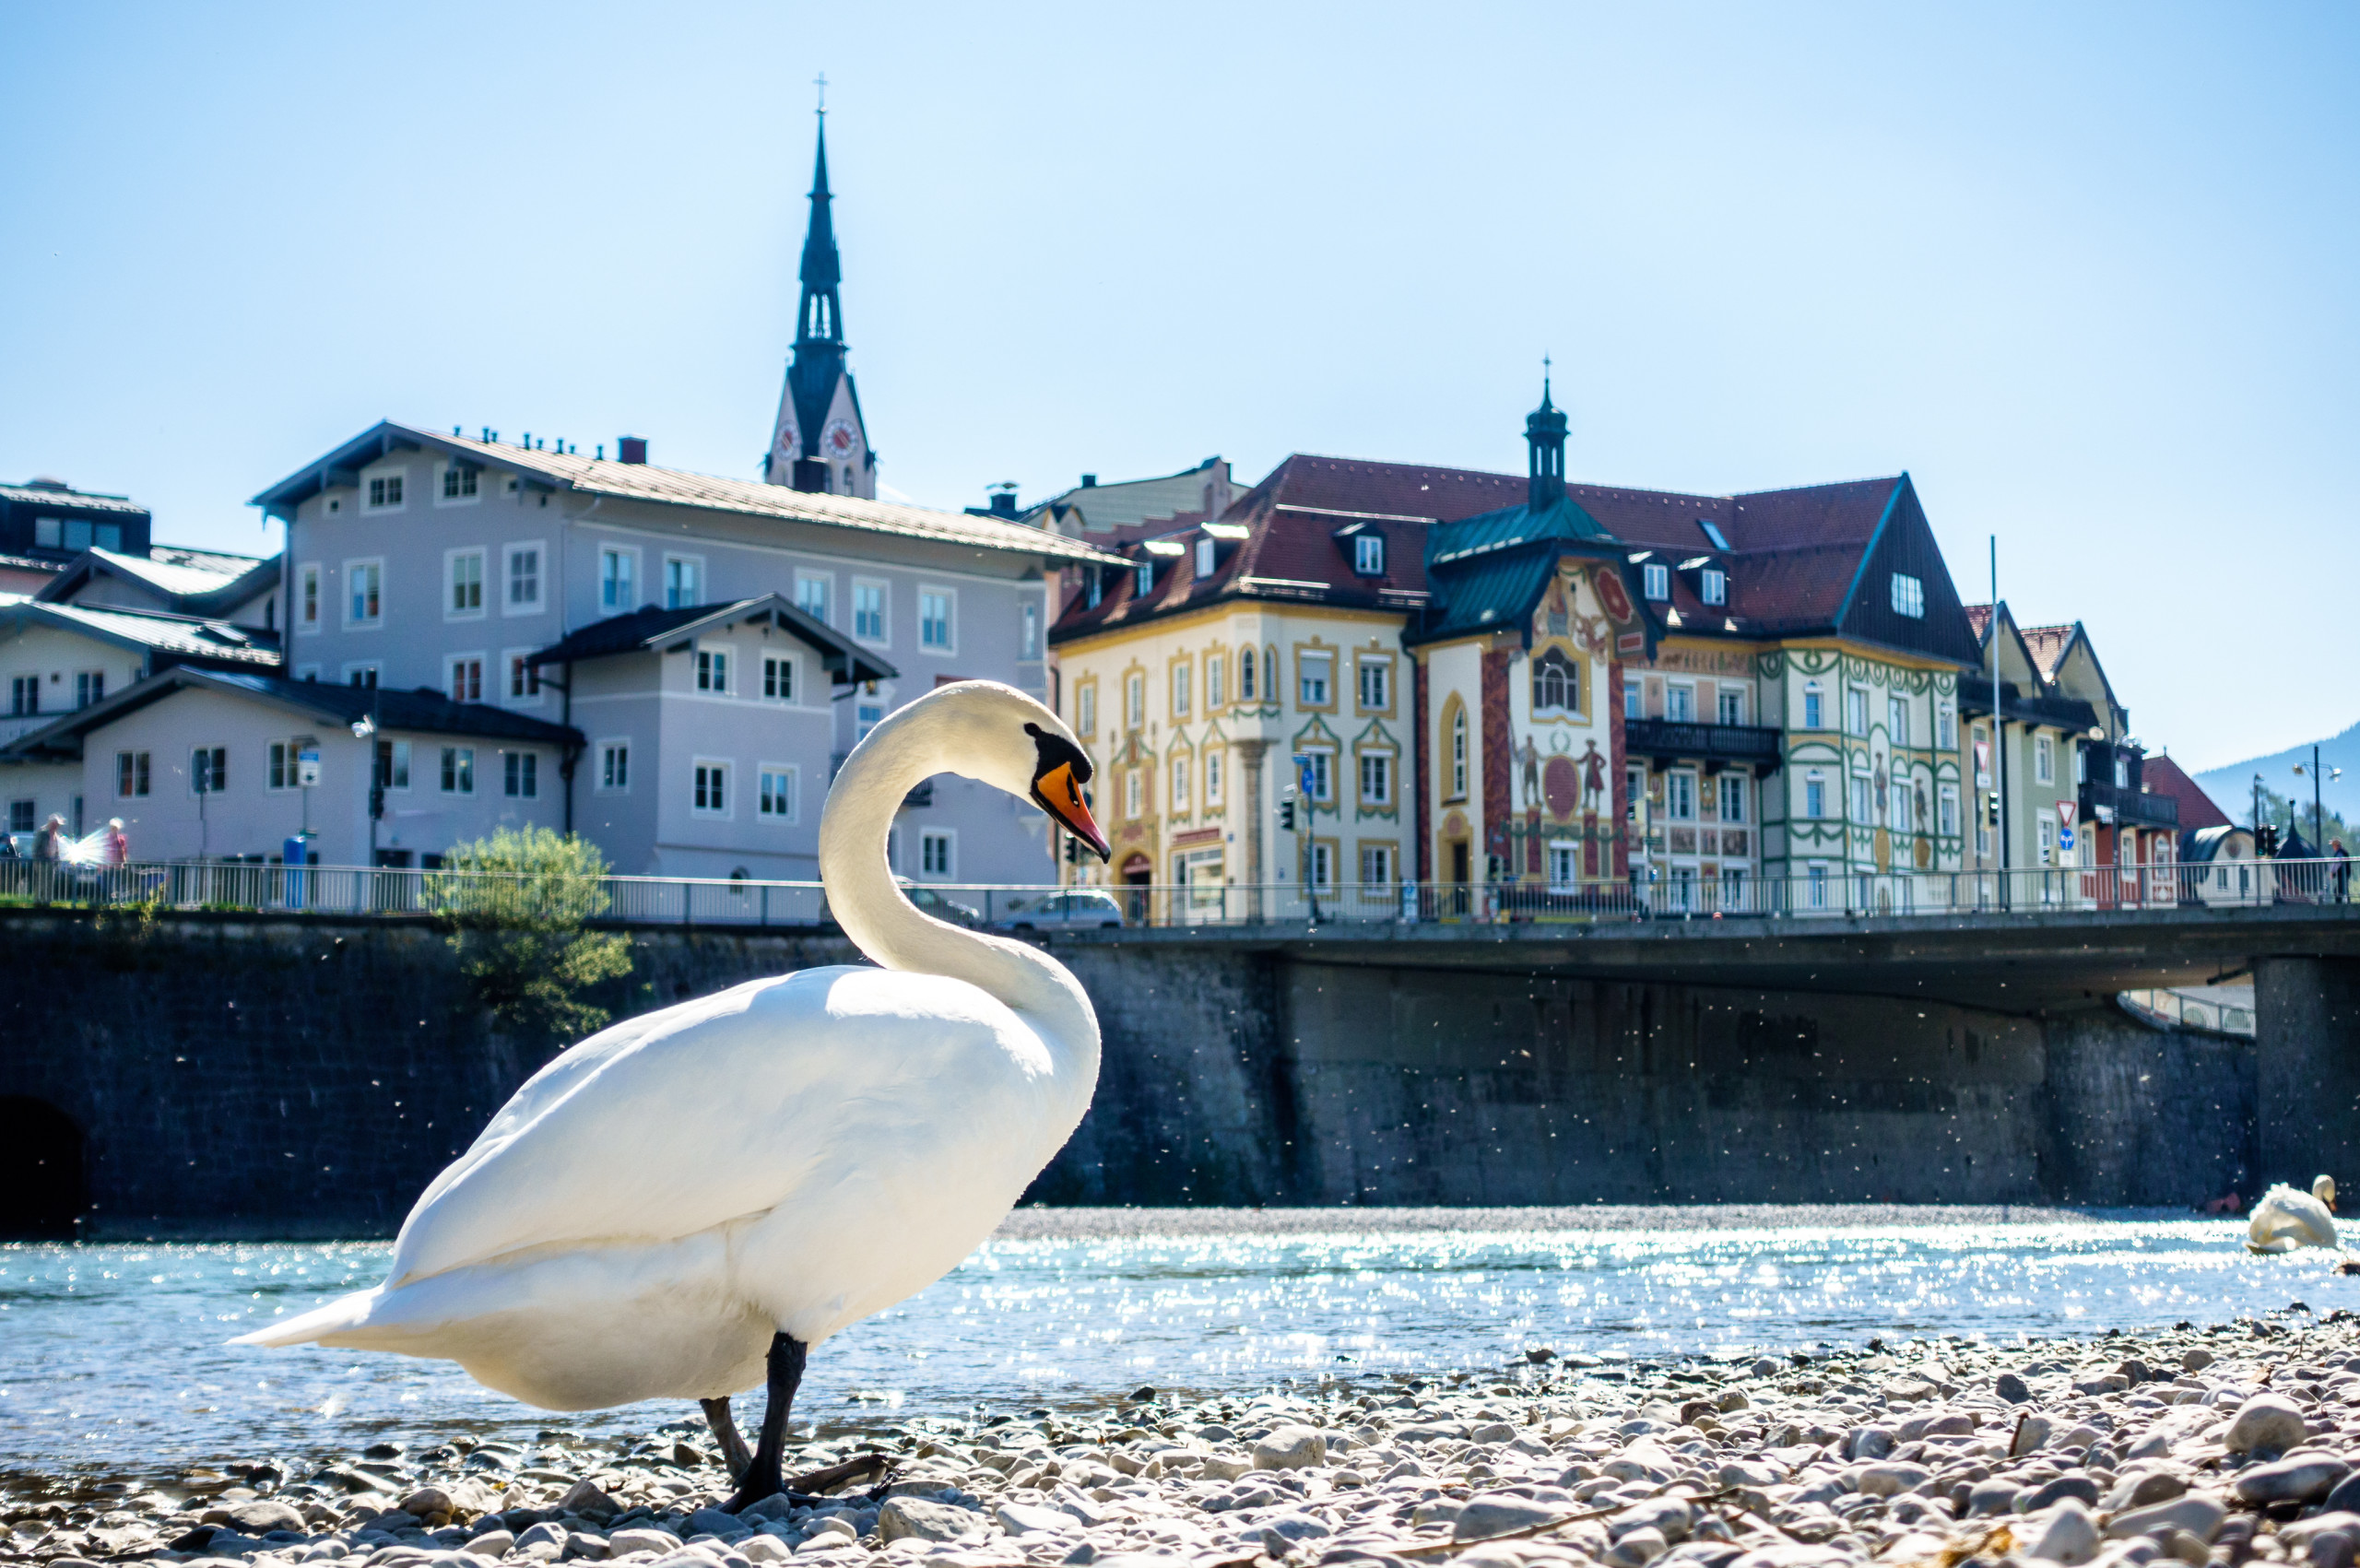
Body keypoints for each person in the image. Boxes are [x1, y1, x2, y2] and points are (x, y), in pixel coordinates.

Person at [2334, 839, 2351, 903]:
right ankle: (2347, 903)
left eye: (2333, 845)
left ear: (2336, 845)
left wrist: (2333, 872)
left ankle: (2339, 906)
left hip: (2343, 874)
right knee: (2344, 889)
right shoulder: (2343, 851)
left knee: (2338, 890)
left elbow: (2338, 863)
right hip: (2344, 874)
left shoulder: (2340, 852)